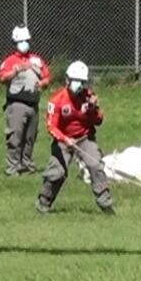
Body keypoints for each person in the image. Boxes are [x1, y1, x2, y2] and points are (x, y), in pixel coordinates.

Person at [36, 60, 115, 215]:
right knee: (57, 172)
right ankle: (44, 201)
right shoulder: (57, 100)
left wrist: (93, 110)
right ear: (67, 80)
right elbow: (51, 126)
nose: (79, 85)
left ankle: (103, 199)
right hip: (63, 140)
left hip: (85, 137)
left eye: (82, 82)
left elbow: (98, 121)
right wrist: (65, 139)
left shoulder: (88, 97)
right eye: (76, 81)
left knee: (95, 164)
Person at [0, 25, 50, 176]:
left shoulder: (36, 60)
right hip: (16, 104)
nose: (24, 43)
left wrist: (42, 84)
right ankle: (12, 167)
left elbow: (47, 76)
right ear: (15, 42)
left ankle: (27, 165)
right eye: (21, 41)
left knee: (30, 138)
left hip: (33, 104)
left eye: (26, 40)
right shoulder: (10, 61)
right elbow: (1, 77)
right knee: (15, 137)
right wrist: (16, 70)